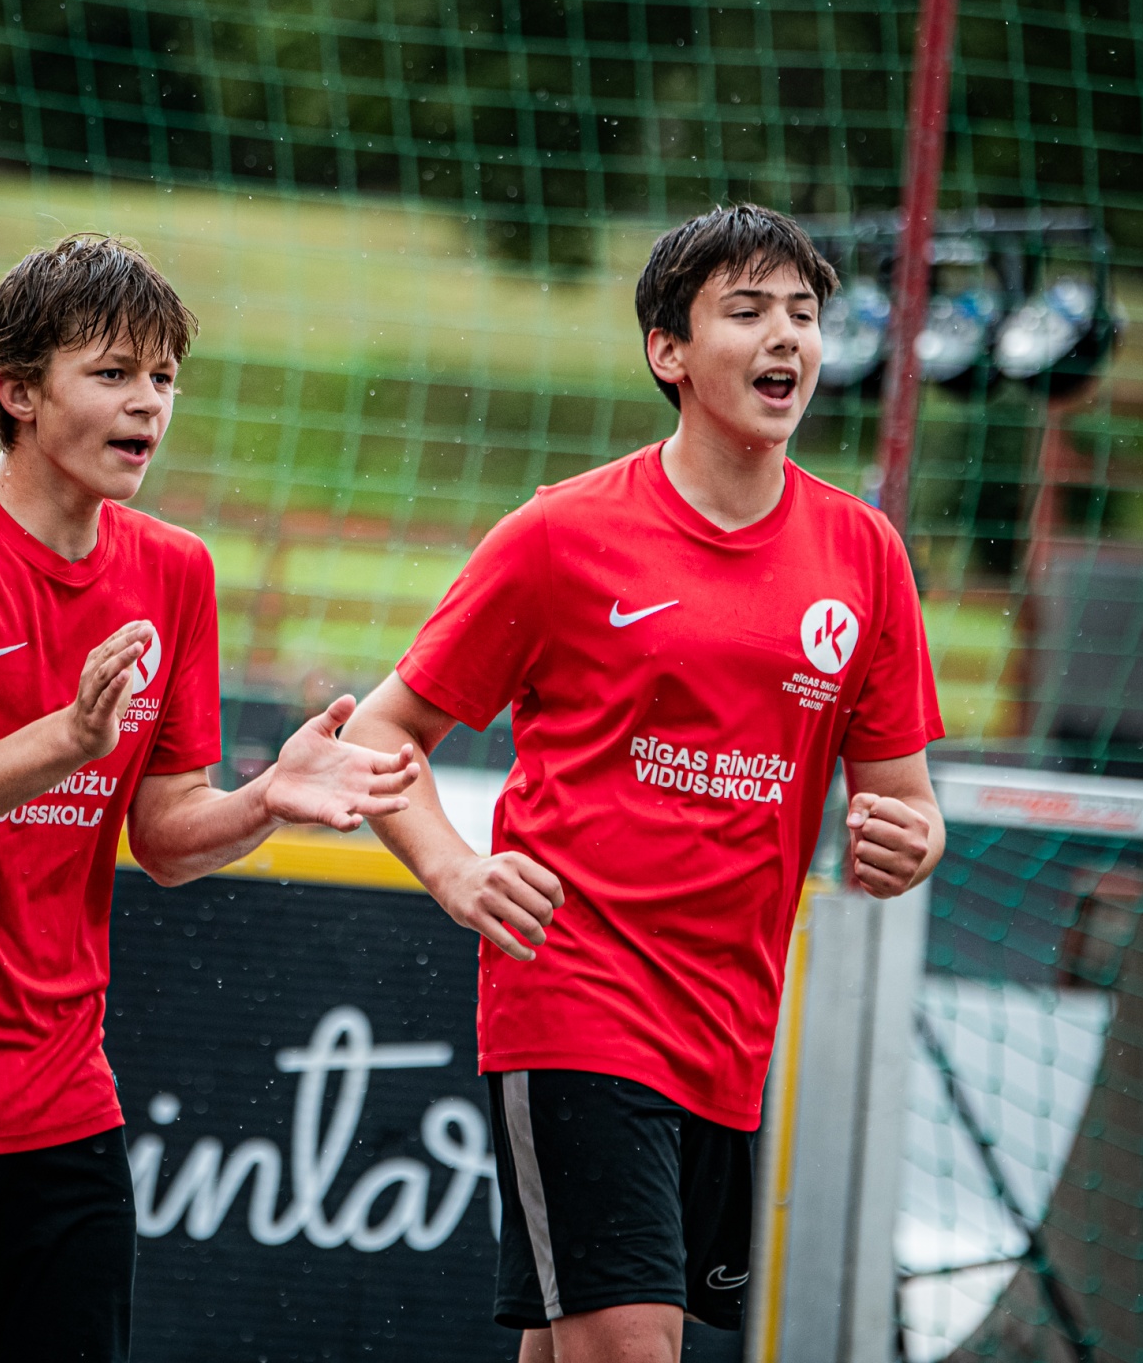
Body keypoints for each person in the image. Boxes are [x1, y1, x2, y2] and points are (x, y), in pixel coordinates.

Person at [0, 233, 420, 1363]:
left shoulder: (176, 570)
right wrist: (65, 744)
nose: (148, 404)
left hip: (62, 1105)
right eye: (113, 373)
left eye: (163, 377)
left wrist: (268, 798)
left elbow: (165, 839)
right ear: (16, 390)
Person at [340, 204, 949, 1363]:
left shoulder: (864, 553)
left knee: (578, 1342)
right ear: (668, 351)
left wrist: (912, 841)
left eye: (804, 314)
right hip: (573, 992)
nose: (786, 337)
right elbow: (381, 735)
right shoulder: (561, 535)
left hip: (729, 1023)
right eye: (748, 311)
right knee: (630, 1343)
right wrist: (457, 873)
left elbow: (908, 801)